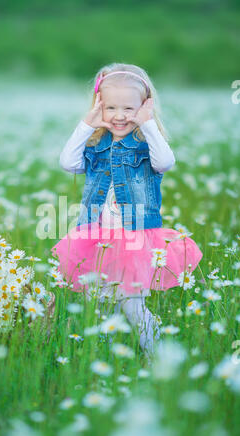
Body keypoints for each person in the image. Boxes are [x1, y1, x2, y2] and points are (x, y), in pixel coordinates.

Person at [51, 63, 203, 359]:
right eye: (110, 107)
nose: (120, 116)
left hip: (134, 241)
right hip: (98, 239)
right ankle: (107, 363)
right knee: (102, 306)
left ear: (145, 107)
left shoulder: (146, 145)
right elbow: (68, 163)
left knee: (132, 305)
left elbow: (166, 162)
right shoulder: (96, 146)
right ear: (99, 106)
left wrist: (147, 123)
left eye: (129, 109)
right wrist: (88, 122)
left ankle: (159, 357)